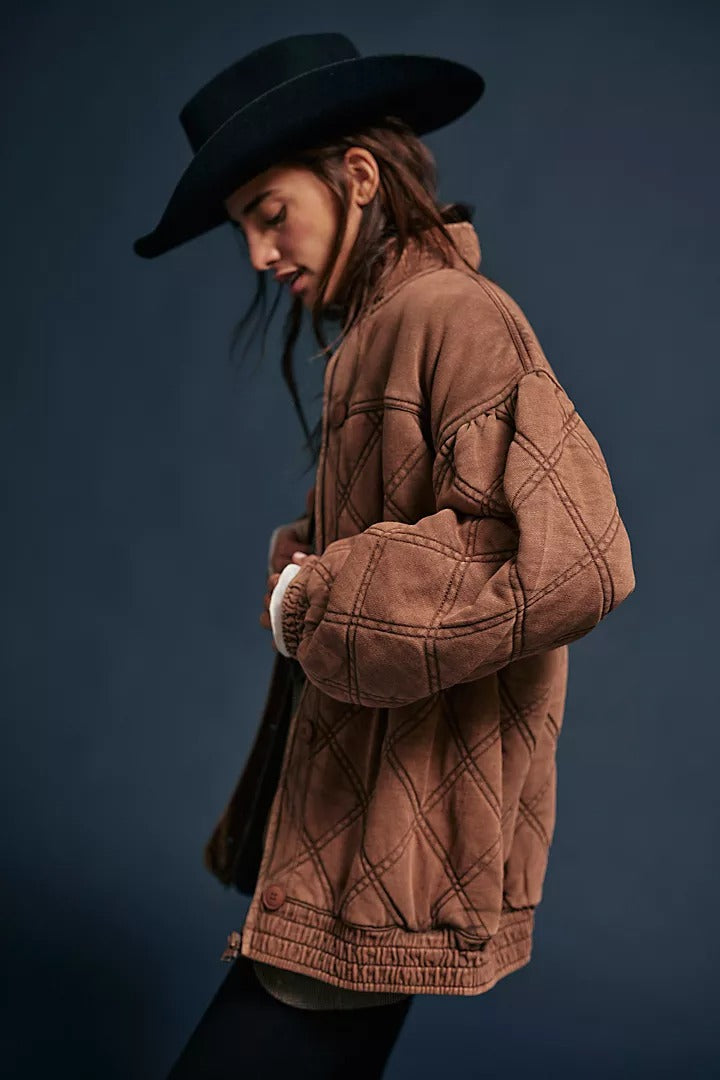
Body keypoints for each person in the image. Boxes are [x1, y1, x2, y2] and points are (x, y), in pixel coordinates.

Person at [133, 31, 636, 1080]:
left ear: (357, 176)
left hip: (391, 845)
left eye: (270, 213)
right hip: (364, 839)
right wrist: (309, 559)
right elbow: (425, 527)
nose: (259, 254)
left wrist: (317, 599)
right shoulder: (380, 327)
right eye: (244, 230)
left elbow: (572, 559)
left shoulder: (452, 315)